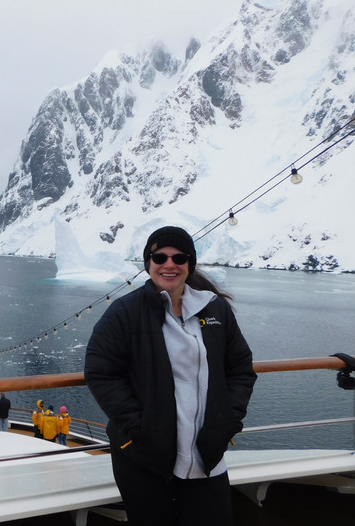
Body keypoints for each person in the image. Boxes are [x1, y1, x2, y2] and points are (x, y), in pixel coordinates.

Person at [84, 225, 257, 526]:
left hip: (207, 454)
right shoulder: (125, 312)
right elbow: (101, 372)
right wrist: (140, 428)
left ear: (190, 264)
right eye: (159, 257)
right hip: (144, 456)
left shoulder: (214, 309)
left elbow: (240, 368)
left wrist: (229, 418)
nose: (169, 264)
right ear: (148, 262)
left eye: (179, 258)